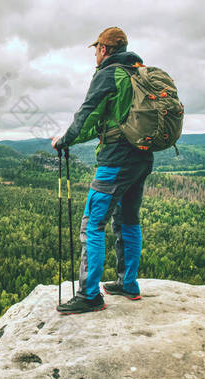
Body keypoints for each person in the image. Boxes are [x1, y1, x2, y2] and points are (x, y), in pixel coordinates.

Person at [51, 27, 154, 314]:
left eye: (96, 49)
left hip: (116, 159)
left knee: (92, 225)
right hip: (142, 157)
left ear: (104, 49)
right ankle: (128, 283)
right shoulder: (138, 73)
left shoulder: (108, 74)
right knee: (128, 219)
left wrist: (64, 140)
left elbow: (87, 116)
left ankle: (89, 295)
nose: (95, 54)